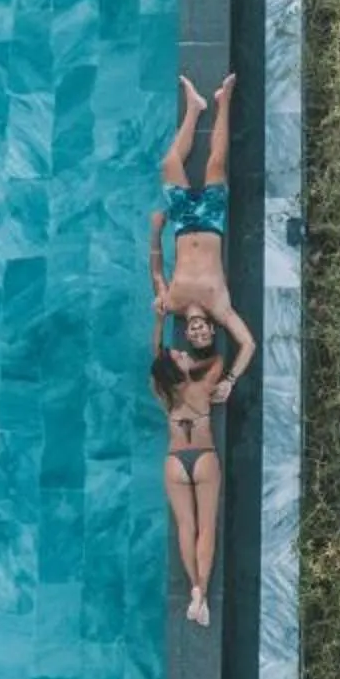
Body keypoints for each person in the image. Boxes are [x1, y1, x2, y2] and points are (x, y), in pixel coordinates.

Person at [150, 73, 255, 624]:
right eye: (197, 328)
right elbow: (247, 342)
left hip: (193, 227)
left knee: (183, 167)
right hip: (205, 220)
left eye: (198, 328)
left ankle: (214, 103)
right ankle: (201, 107)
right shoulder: (204, 307)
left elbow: (248, 343)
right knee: (201, 161)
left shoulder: (192, 304)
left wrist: (233, 378)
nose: (197, 327)